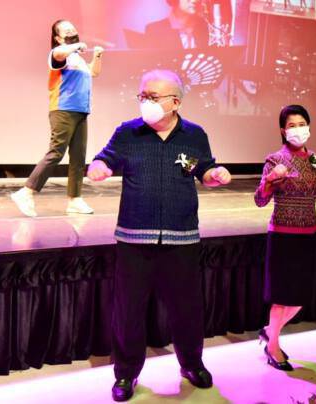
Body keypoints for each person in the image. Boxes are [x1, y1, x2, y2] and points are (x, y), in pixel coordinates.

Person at [87, 69, 232, 401]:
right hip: (134, 239)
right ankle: (126, 373)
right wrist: (99, 167)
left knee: (187, 309)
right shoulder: (128, 132)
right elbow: (105, 158)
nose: (145, 102)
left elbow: (203, 170)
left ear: (175, 102)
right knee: (129, 311)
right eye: (142, 96)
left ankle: (191, 364)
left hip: (182, 238)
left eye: (153, 97)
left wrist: (216, 174)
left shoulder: (194, 135)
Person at [254, 104, 316, 371]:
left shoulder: (314, 159)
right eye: (292, 125)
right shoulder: (275, 159)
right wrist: (270, 181)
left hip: (309, 233)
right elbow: (260, 200)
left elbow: (312, 193)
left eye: (302, 124)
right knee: (282, 296)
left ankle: (269, 332)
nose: (298, 129)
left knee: (299, 297)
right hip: (283, 236)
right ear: (282, 131)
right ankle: (273, 347)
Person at [11, 20, 103, 217]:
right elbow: (59, 54)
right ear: (58, 38)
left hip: (81, 111)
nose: (72, 32)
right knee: (56, 153)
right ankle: (26, 192)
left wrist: (97, 55)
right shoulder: (58, 53)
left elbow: (94, 72)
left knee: (78, 157)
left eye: (73, 29)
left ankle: (75, 200)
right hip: (63, 109)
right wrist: (76, 45)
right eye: (67, 30)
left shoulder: (77, 59)